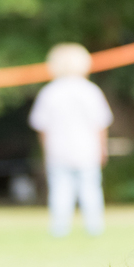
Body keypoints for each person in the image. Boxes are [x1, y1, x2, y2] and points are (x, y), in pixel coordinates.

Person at [29, 43, 113, 237]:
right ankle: (95, 228)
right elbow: (101, 125)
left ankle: (59, 229)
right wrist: (103, 149)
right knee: (90, 190)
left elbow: (42, 127)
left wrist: (46, 151)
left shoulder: (49, 92)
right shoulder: (90, 90)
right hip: (87, 150)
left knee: (60, 191)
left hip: (58, 150)